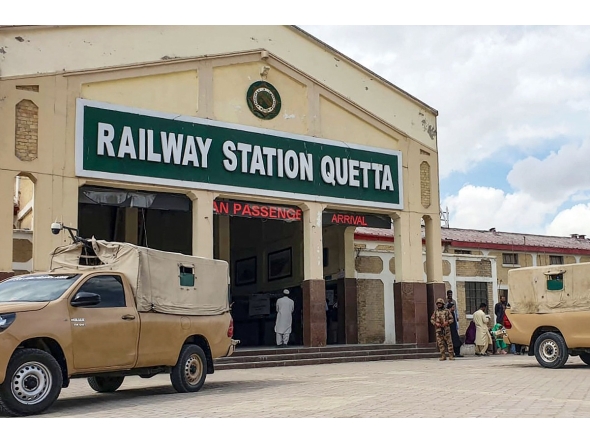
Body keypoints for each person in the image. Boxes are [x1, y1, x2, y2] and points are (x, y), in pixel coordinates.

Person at [445, 290, 463, 357]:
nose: (450, 295)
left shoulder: (454, 301)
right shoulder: (446, 301)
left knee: (456, 339)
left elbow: (456, 310)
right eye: (449, 294)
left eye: (451, 294)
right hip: (449, 327)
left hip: (454, 325)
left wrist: (457, 317)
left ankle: (457, 353)